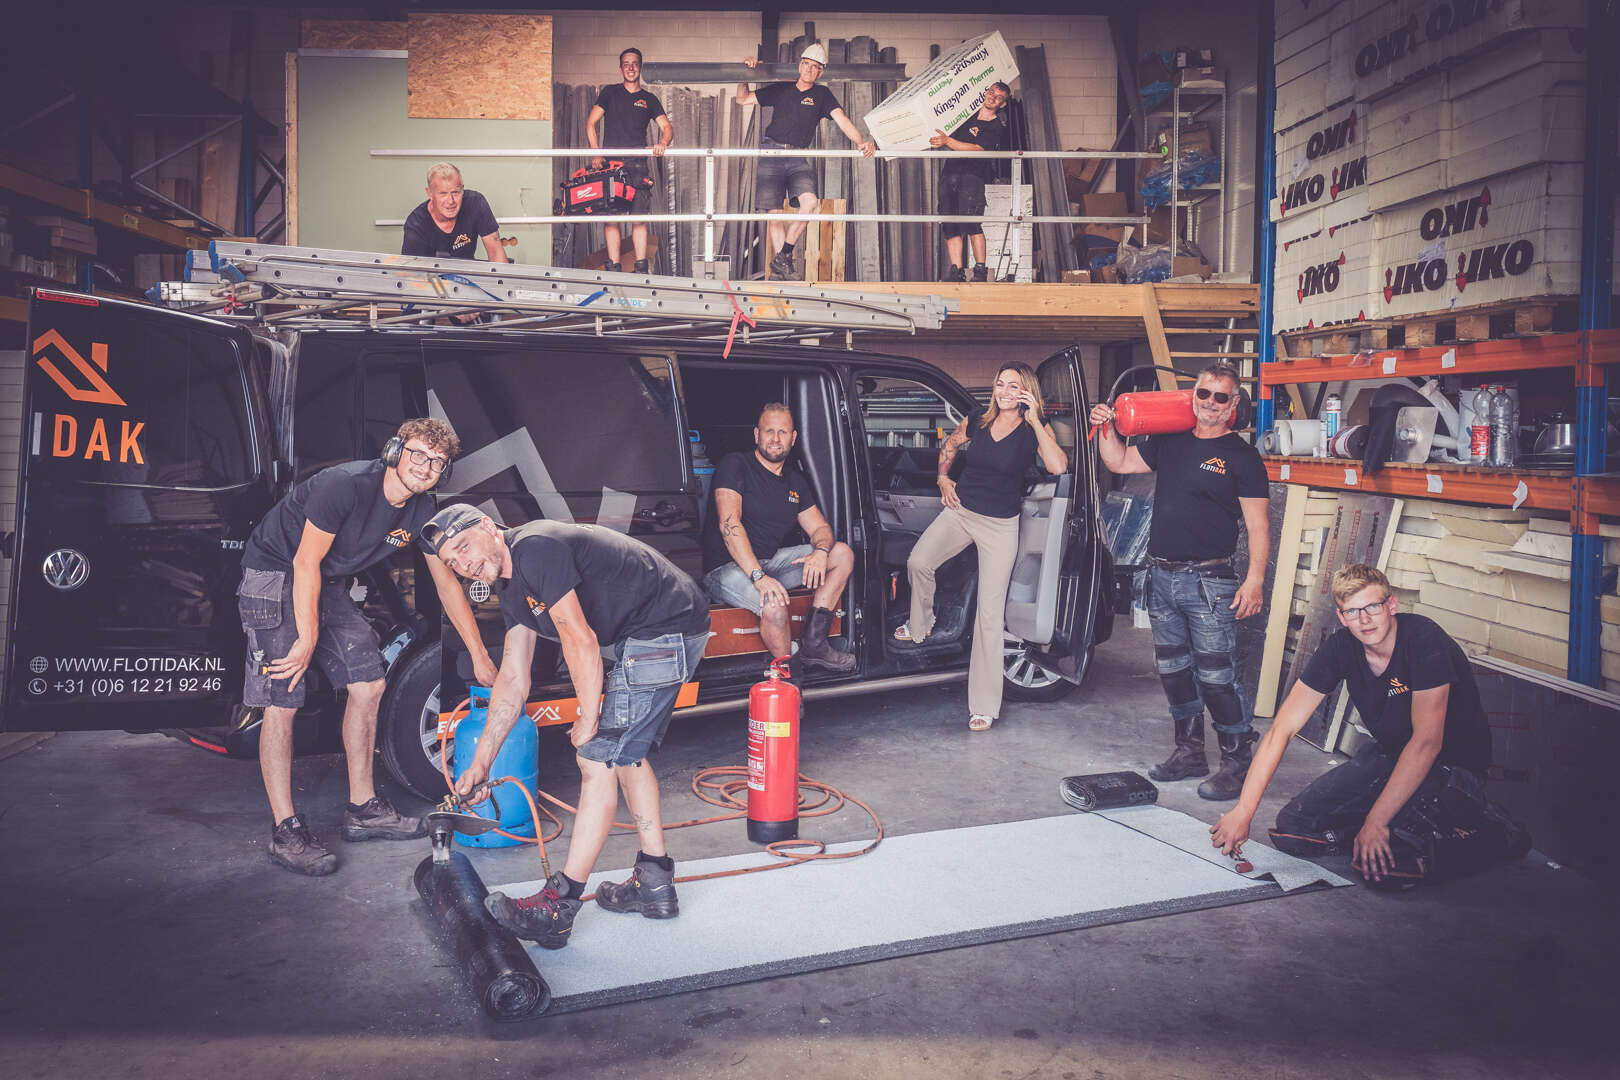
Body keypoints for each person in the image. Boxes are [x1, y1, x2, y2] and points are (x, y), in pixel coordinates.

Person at [421, 505, 711, 949]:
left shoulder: (535, 548)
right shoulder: (512, 587)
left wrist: (588, 718)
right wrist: (482, 762)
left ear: (487, 527)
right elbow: (513, 680)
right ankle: (655, 881)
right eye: (452, 562)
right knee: (625, 756)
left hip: (666, 628)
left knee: (595, 758)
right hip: (650, 633)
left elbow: (580, 638)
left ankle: (560, 905)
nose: (462, 565)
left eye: (463, 548)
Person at [238, 419, 497, 875]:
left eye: (438, 462)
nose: (426, 466)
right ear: (395, 451)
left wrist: (478, 654)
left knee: (369, 685)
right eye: (418, 454)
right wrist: (307, 638)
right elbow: (304, 561)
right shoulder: (345, 486)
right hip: (275, 573)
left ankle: (363, 809)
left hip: (325, 582)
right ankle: (285, 829)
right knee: (283, 699)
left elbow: (448, 587)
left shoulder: (423, 511)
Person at [1211, 565, 1529, 887]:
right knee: (1294, 828)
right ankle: (1382, 830)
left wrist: (1377, 822)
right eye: (1352, 612)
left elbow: (1426, 743)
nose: (1364, 620)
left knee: (1386, 870)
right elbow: (1282, 730)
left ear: (1391, 605)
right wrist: (1244, 810)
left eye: (1372, 607)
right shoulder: (1340, 648)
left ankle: (1493, 830)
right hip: (1390, 758)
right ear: (1341, 616)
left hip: (1452, 768)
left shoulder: (1424, 640)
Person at [1088, 362, 1268, 800]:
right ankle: (1189, 752)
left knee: (1217, 675)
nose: (1209, 403)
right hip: (1161, 576)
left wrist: (1255, 579)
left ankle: (1238, 758)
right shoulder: (1170, 441)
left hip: (1210, 581)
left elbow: (1259, 527)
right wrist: (1106, 426)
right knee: (1173, 670)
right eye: (1203, 394)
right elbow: (1120, 461)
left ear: (1234, 405)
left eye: (1220, 397)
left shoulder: (1242, 457)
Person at [896, 363, 1069, 731]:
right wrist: (943, 477)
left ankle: (984, 706)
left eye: (1014, 386)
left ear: (1027, 392)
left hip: (1000, 527)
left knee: (989, 617)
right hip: (961, 513)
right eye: (1001, 384)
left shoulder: (1033, 430)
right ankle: (920, 623)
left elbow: (1057, 466)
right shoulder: (978, 419)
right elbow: (951, 444)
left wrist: (1036, 420)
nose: (1005, 391)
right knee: (918, 561)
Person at [700, 403, 857, 675]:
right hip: (727, 569)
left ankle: (813, 644)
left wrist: (820, 552)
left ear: (793, 438)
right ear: (756, 435)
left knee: (841, 553)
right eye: (769, 431)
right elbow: (730, 525)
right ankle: (789, 677)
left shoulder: (794, 482)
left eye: (782, 432)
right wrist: (760, 577)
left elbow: (821, 528)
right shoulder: (735, 465)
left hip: (770, 564)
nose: (775, 438)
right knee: (774, 605)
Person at [736, 42, 877, 280]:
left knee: (810, 202)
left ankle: (784, 254)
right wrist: (744, 76)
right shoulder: (782, 89)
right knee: (774, 213)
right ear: (799, 66)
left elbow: (841, 119)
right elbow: (743, 99)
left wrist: (860, 141)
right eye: (806, 64)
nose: (810, 70)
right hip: (771, 151)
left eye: (815, 67)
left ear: (820, 72)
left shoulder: (821, 95)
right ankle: (780, 273)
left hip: (797, 155)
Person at [586, 47, 674, 274]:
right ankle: (613, 269)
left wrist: (662, 143)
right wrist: (597, 153)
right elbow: (591, 124)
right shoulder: (609, 93)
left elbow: (666, 127)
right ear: (620, 68)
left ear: (640, 67)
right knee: (611, 219)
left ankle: (641, 269)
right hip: (612, 166)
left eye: (634, 63)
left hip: (637, 164)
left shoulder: (648, 99)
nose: (631, 67)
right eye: (626, 63)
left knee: (638, 218)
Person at [929, 81, 1010, 283]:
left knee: (972, 223)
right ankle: (957, 270)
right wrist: (940, 140)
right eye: (991, 92)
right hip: (950, 175)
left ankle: (980, 270)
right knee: (950, 225)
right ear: (986, 93)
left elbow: (977, 149)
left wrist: (948, 141)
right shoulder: (964, 117)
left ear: (1003, 104)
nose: (992, 97)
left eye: (998, 96)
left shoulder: (995, 126)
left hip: (972, 178)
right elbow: (947, 137)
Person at [402, 162, 507, 262]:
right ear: (430, 193)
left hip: (468, 275)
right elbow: (412, 275)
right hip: (431, 279)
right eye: (443, 194)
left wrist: (503, 280)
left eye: (455, 192)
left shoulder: (476, 203)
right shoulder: (416, 225)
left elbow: (496, 253)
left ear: (462, 189)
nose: (450, 201)